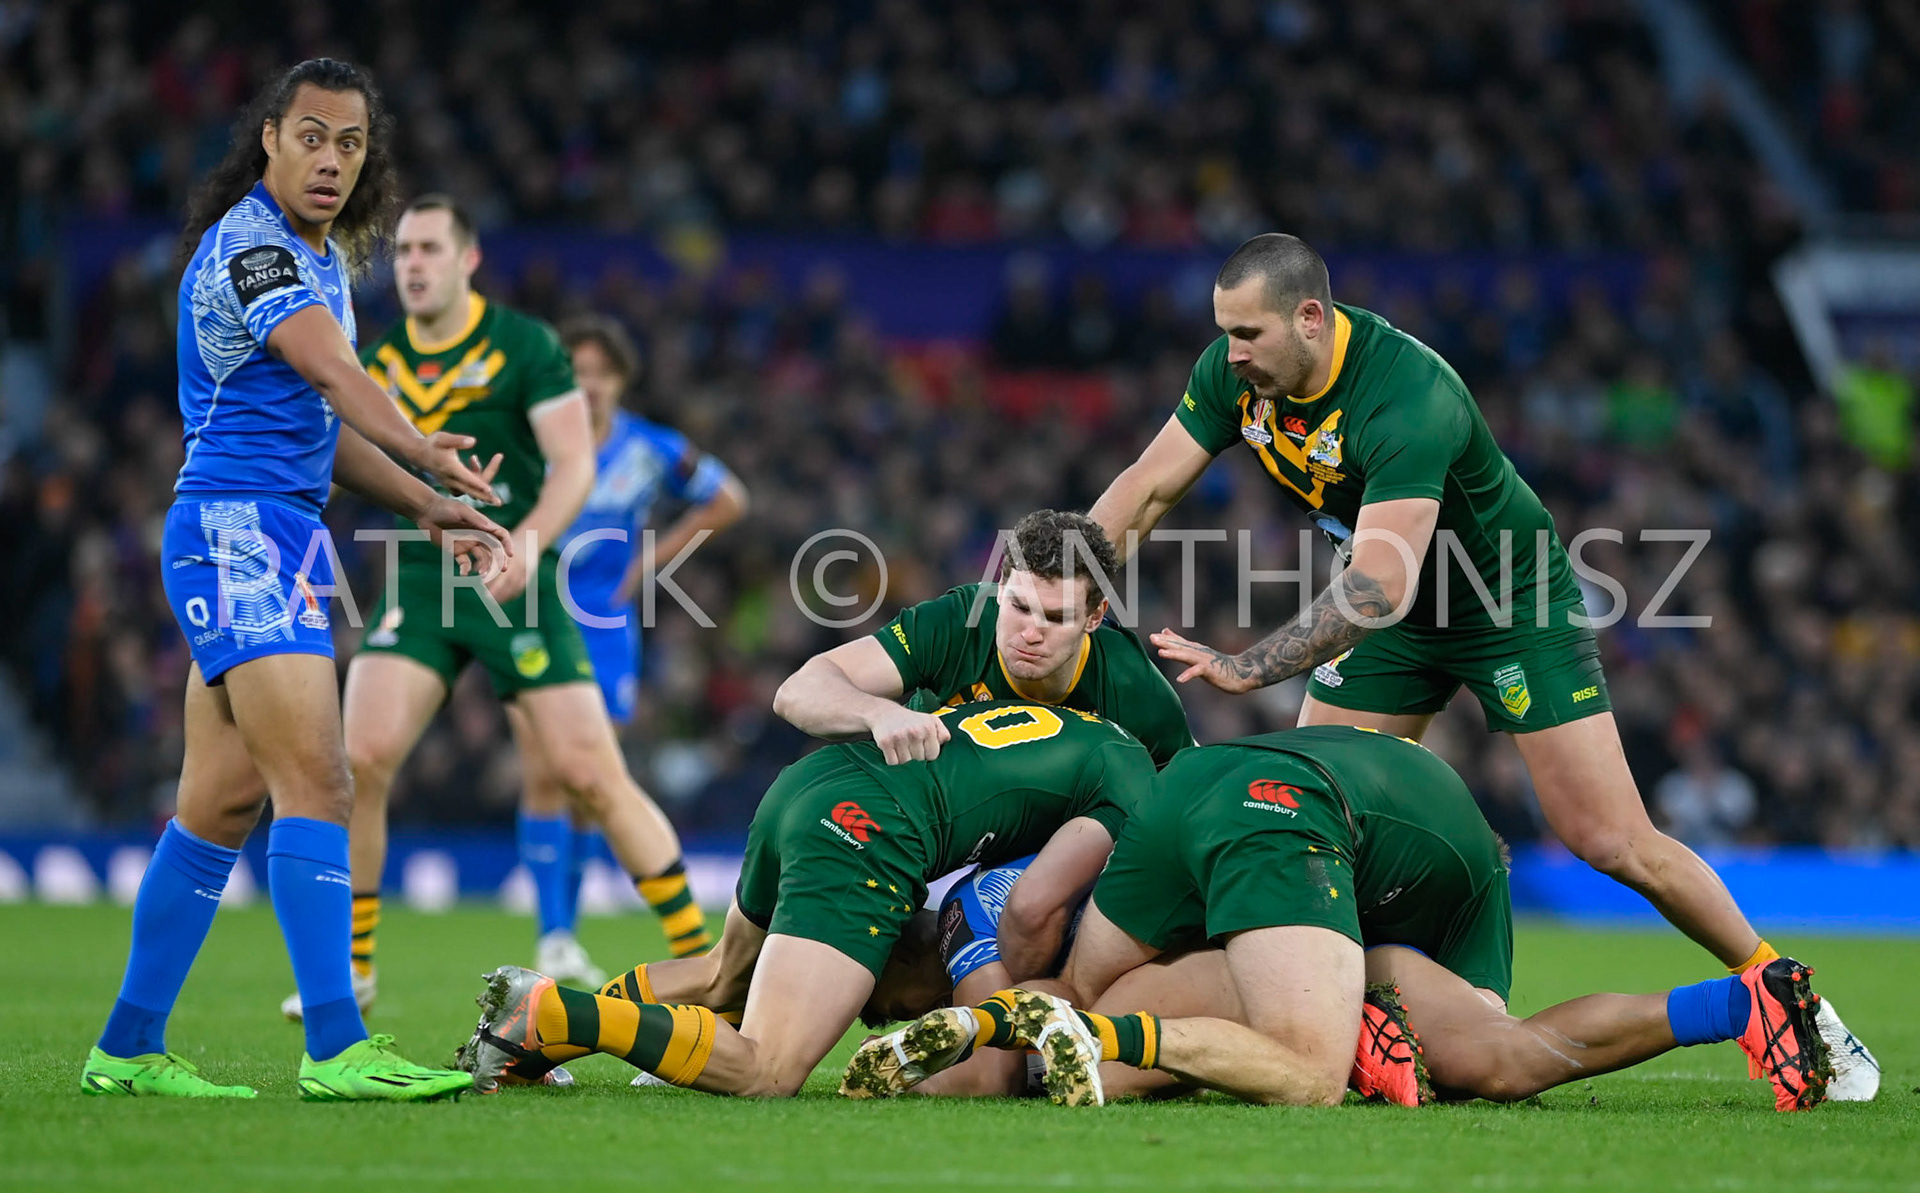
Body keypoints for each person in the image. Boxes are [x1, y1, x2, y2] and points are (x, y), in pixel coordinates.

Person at [1085, 232, 1876, 1099]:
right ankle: (1349, 1016)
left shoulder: (1406, 394)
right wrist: (1066, 584)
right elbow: (1148, 485)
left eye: (1249, 335)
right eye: (1224, 333)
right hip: (1392, 600)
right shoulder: (1234, 376)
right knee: (1300, 808)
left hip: (1504, 602)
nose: (1231, 355)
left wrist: (1252, 667)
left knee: (1609, 838)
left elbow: (1379, 586)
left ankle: (1790, 998)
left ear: (1311, 317)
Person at [84, 59, 511, 1101]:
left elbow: (319, 427)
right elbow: (332, 374)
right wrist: (423, 445)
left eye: (351, 143)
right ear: (268, 136)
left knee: (221, 805)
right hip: (234, 535)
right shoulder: (255, 248)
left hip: (277, 535)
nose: (330, 159)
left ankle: (127, 1047)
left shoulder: (319, 254)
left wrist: (424, 498)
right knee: (321, 779)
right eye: (312, 136)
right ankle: (336, 1044)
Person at [846, 727, 1835, 1113]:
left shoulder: (970, 916)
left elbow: (1030, 926)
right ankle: (1743, 1000)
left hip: (1265, 805)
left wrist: (985, 1024)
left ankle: (1099, 1034)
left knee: (1272, 1057)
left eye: (887, 1005)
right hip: (1407, 827)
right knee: (1491, 1061)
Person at [279, 197, 707, 1020]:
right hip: (425, 579)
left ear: (467, 259)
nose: (412, 263)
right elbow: (340, 455)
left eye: (431, 248)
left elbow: (574, 464)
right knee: (358, 759)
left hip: (519, 577)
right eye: (402, 249)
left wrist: (532, 543)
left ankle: (709, 964)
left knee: (591, 774)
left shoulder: (525, 346)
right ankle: (356, 966)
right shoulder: (380, 357)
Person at [455, 699, 1152, 1098]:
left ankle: (532, 1052)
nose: (893, 1016)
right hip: (868, 829)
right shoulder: (1132, 788)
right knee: (767, 1069)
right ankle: (550, 1009)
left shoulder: (1088, 733)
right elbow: (1031, 912)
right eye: (891, 1012)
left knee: (724, 974)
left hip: (807, 782)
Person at [502, 315, 748, 987]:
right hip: (534, 616)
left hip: (605, 624)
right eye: (574, 373)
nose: (587, 386)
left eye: (599, 373)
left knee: (589, 779)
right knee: (543, 768)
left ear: (620, 380)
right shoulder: (534, 440)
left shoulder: (648, 449)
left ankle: (566, 933)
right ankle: (554, 934)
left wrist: (651, 562)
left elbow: (729, 498)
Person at [773, 509, 1193, 777]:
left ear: (1095, 617)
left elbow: (1189, 785)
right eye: (1019, 607)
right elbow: (796, 692)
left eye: (1056, 617)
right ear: (999, 588)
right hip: (928, 815)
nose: (1031, 632)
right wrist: (878, 713)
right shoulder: (958, 622)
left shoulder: (1131, 683)